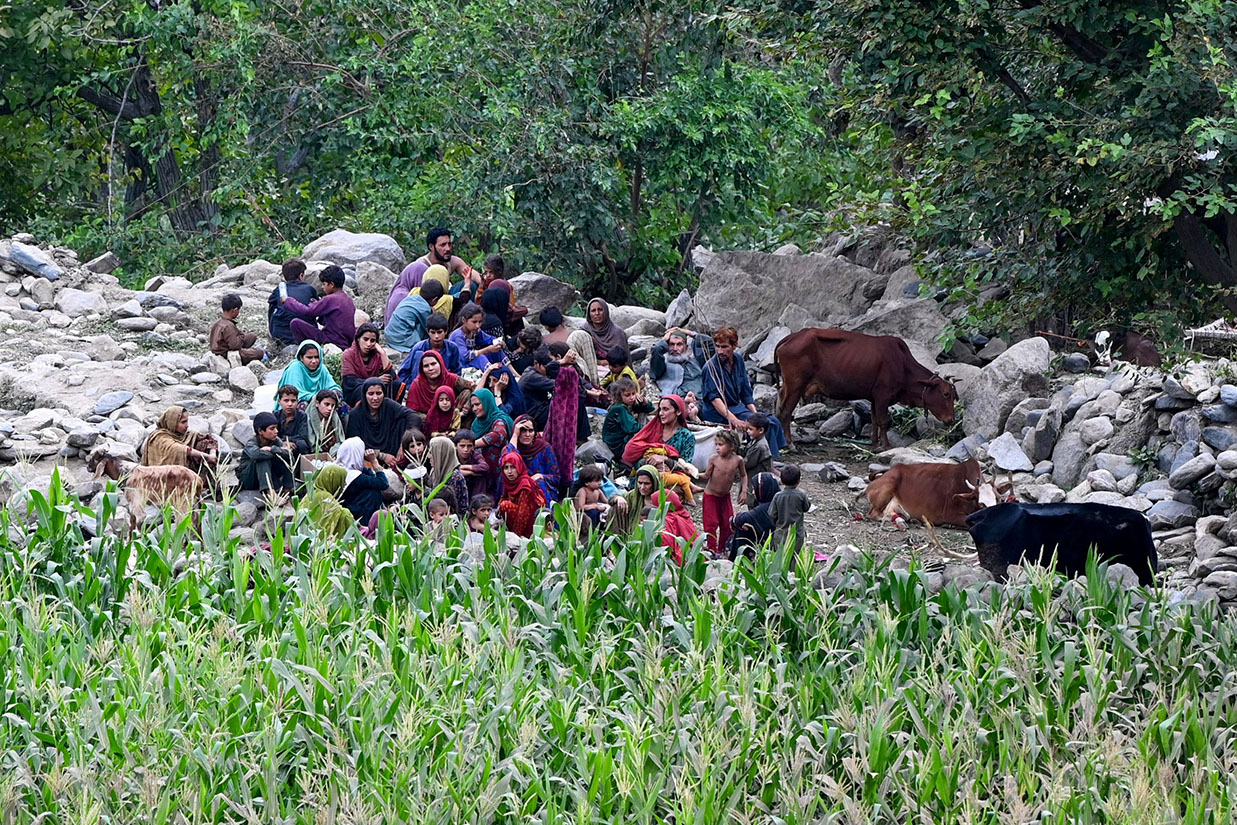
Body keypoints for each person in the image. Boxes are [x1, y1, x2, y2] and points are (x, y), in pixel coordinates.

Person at [701, 326, 787, 457]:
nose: (720, 351)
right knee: (759, 427)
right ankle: (767, 458)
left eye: (724, 347)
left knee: (770, 421)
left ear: (734, 346)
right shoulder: (710, 367)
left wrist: (755, 414)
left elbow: (746, 391)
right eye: (717, 347)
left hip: (737, 407)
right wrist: (734, 420)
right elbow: (714, 399)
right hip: (718, 411)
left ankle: (771, 453)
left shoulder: (738, 360)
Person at [386, 227, 481, 323]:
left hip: (447, 297)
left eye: (449, 244)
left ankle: (474, 319)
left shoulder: (452, 261)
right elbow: (426, 298)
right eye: (443, 245)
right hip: (434, 303)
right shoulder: (422, 266)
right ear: (432, 247)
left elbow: (472, 274)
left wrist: (486, 281)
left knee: (472, 285)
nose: (447, 248)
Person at [345, 378, 416, 470]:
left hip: (392, 449)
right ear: (364, 395)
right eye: (371, 394)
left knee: (403, 420)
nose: (375, 398)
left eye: (378, 393)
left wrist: (404, 443)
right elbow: (354, 443)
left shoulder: (388, 404)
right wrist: (382, 456)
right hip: (368, 454)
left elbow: (413, 416)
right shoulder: (356, 413)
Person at [279, 264, 357, 349]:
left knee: (295, 323)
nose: (323, 287)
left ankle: (306, 349)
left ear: (331, 285)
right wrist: (318, 305)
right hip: (345, 342)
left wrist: (288, 301)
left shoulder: (330, 298)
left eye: (324, 284)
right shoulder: (348, 299)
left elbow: (308, 311)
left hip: (330, 340)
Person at [140, 405, 219, 479]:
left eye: (187, 421)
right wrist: (207, 457)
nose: (187, 425)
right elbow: (181, 449)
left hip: (189, 473)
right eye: (183, 422)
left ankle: (204, 486)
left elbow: (210, 438)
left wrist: (212, 454)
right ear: (173, 422)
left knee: (204, 443)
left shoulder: (185, 434)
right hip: (164, 478)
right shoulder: (159, 437)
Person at [702, 429, 746, 557]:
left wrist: (744, 491)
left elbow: (744, 476)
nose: (717, 448)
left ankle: (721, 549)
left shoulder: (738, 460)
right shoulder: (714, 459)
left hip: (725, 497)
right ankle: (711, 549)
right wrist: (692, 473)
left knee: (727, 524)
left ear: (731, 446)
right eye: (716, 444)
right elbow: (706, 476)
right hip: (710, 496)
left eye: (720, 445)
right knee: (711, 524)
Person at [621, 394, 696, 468]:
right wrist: (647, 461)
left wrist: (665, 459)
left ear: (678, 412)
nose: (660, 413)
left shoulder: (686, 437)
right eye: (660, 409)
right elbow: (634, 459)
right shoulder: (653, 429)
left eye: (665, 409)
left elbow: (687, 468)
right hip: (645, 474)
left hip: (672, 477)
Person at [502, 415, 560, 505]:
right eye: (523, 430)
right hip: (517, 490)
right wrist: (515, 435)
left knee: (538, 483)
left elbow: (556, 478)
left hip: (539, 491)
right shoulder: (510, 448)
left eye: (530, 430)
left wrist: (541, 476)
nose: (527, 434)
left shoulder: (544, 448)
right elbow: (506, 459)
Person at [342, 323, 403, 407]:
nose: (368, 344)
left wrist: (383, 354)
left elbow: (391, 377)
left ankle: (389, 414)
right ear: (358, 339)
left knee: (398, 385)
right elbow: (349, 382)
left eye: (372, 341)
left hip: (376, 392)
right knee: (362, 389)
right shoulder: (349, 354)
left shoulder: (377, 356)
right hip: (355, 393)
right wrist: (375, 381)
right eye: (365, 339)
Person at [396, 313, 467, 385]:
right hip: (421, 387)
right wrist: (411, 387)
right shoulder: (418, 348)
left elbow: (457, 371)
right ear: (428, 332)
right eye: (433, 332)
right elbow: (403, 372)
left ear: (446, 331)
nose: (436, 336)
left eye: (439, 332)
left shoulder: (452, 348)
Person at [238, 412, 294, 498]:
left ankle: (287, 489)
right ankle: (270, 494)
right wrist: (277, 452)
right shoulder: (251, 443)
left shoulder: (275, 440)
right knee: (262, 459)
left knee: (284, 457)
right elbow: (255, 455)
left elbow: (289, 455)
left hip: (268, 476)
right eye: (272, 429)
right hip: (250, 479)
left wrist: (272, 449)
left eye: (276, 428)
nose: (276, 431)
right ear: (260, 431)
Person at [337, 437, 389, 525]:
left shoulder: (339, 468)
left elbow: (369, 475)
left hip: (350, 510)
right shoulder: (355, 476)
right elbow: (383, 483)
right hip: (359, 516)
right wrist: (374, 461)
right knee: (373, 493)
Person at [729, 472, 780, 560]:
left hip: (772, 544)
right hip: (776, 538)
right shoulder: (778, 500)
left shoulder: (765, 508)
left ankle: (739, 561)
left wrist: (733, 521)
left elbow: (738, 520)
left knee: (743, 529)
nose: (753, 492)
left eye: (755, 488)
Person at [406, 349, 472, 418]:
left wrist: (465, 409)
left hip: (454, 417)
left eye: (433, 364)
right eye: (426, 366)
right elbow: (411, 412)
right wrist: (432, 420)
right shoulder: (417, 385)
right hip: (429, 421)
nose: (430, 368)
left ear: (441, 364)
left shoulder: (451, 378)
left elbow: (474, 387)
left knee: (467, 392)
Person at [470, 388, 513, 493]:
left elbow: (499, 435)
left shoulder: (499, 419)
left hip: (499, 471)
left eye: (478, 404)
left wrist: (473, 445)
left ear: (487, 402)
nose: (475, 409)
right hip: (482, 470)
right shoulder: (477, 423)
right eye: (472, 406)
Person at [602, 377, 654, 463]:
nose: (632, 397)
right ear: (618, 396)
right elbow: (632, 428)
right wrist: (649, 430)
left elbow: (649, 408)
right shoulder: (619, 408)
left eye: (633, 394)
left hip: (620, 441)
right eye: (627, 395)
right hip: (616, 445)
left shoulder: (628, 405)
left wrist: (644, 402)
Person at [385, 279, 445, 353]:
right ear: (434, 299)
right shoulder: (424, 309)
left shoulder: (412, 298)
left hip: (390, 335)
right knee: (428, 327)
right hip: (402, 339)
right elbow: (428, 327)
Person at [268, 259, 318, 347]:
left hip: (281, 335)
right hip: (306, 335)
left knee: (273, 307)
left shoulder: (279, 290)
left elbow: (271, 307)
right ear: (301, 275)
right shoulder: (310, 289)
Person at [649, 328, 710, 398]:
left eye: (679, 344)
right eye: (671, 344)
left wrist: (690, 333)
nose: (675, 349)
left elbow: (710, 344)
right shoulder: (662, 365)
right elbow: (656, 349)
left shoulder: (696, 362)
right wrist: (664, 340)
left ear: (686, 347)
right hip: (679, 401)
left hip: (701, 400)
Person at [497, 452, 546, 538]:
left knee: (505, 505)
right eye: (506, 468)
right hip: (519, 518)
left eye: (513, 467)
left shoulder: (525, 484)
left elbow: (523, 514)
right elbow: (504, 496)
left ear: (519, 467)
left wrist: (516, 537)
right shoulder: (510, 482)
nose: (509, 472)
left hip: (530, 524)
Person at [276, 340, 342, 404]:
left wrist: (334, 393)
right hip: (300, 403)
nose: (314, 361)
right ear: (301, 358)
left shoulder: (321, 368)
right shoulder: (295, 368)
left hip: (323, 402)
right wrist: (318, 398)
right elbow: (295, 394)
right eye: (309, 357)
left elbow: (333, 386)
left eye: (316, 357)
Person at [210, 293, 265, 365]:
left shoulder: (219, 323)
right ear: (234, 310)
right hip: (227, 354)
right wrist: (241, 335)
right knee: (259, 353)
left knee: (252, 336)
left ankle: (247, 351)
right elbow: (235, 346)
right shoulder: (228, 326)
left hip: (223, 347)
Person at [304, 464, 356, 539]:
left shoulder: (311, 492)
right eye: (342, 481)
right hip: (315, 542)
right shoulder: (325, 497)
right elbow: (340, 513)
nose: (344, 484)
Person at [450, 302, 504, 370]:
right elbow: (465, 357)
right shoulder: (458, 336)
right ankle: (491, 374)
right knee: (480, 358)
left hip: (471, 362)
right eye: (474, 322)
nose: (478, 326)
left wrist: (498, 343)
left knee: (497, 351)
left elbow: (489, 339)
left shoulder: (476, 331)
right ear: (464, 320)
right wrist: (487, 350)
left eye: (480, 322)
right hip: (460, 365)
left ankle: (514, 374)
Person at [771, 464, 811, 553]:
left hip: (781, 533)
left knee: (781, 556)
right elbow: (806, 508)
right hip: (797, 533)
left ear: (781, 480)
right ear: (798, 481)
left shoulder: (777, 496)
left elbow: (772, 514)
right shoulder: (801, 495)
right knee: (796, 556)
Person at [427, 435, 469, 515]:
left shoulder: (455, 477)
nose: (429, 456)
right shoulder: (434, 472)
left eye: (432, 452)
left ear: (442, 454)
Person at [519, 347, 558, 431]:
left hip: (539, 409)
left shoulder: (531, 371)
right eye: (546, 366)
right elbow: (558, 384)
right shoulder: (532, 377)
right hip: (534, 415)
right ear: (536, 364)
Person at [584, 298, 628, 363]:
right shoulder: (585, 330)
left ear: (606, 311)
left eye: (600, 310)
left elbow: (621, 361)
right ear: (589, 314)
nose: (597, 313)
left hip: (613, 368)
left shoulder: (617, 332)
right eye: (593, 310)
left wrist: (601, 362)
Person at [306, 388, 346, 456]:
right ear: (317, 403)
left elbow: (340, 440)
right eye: (326, 404)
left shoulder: (335, 418)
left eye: (332, 406)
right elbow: (311, 443)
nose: (330, 409)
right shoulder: (308, 418)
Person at [275, 384, 310, 458]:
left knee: (302, 444)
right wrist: (284, 442)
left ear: (297, 401)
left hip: (296, 444)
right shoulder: (276, 415)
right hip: (280, 443)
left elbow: (302, 435)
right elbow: (274, 435)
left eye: (293, 401)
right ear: (279, 401)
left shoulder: (302, 415)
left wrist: (290, 441)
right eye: (286, 401)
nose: (290, 404)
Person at [455, 429, 491, 500]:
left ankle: (477, 502)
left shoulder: (475, 456)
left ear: (473, 446)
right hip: (458, 490)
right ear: (455, 446)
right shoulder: (453, 456)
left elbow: (485, 467)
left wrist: (463, 467)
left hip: (473, 488)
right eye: (462, 446)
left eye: (469, 446)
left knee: (481, 476)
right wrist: (472, 473)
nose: (466, 449)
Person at [573, 464, 608, 530]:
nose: (600, 483)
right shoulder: (583, 491)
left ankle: (601, 530)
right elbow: (581, 507)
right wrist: (595, 506)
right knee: (593, 512)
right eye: (597, 481)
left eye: (600, 480)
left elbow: (606, 501)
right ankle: (593, 531)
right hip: (583, 515)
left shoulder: (598, 490)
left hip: (595, 512)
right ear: (587, 482)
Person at [744, 413, 774, 481]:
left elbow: (747, 463)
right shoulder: (755, 440)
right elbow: (746, 450)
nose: (747, 431)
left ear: (761, 430)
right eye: (747, 428)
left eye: (750, 429)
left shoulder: (760, 446)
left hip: (757, 478)